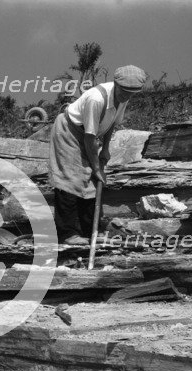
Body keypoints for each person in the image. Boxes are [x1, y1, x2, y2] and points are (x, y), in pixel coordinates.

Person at [49, 65, 147, 244]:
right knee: (70, 178)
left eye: (132, 93)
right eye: (124, 91)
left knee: (92, 182)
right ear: (116, 84)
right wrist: (96, 167)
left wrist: (106, 149)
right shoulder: (96, 99)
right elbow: (89, 137)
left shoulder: (123, 98)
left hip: (88, 134)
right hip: (69, 131)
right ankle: (68, 234)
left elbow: (111, 124)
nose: (127, 96)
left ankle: (90, 231)